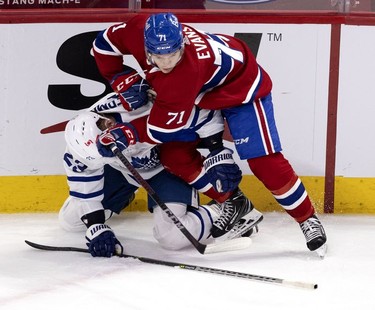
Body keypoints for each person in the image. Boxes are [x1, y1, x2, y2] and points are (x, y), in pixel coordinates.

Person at [92, 13, 327, 256]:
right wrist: (120, 78)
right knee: (174, 157)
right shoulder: (137, 29)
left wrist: (128, 133)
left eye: (173, 54)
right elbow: (102, 45)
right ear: (145, 45)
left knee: (264, 162)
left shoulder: (185, 73)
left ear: (182, 43)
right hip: (199, 94)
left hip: (241, 90)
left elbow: (159, 130)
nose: (166, 63)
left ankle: (307, 218)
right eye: (159, 56)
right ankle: (235, 203)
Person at [59, 92, 256, 257]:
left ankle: (224, 211)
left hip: (166, 170)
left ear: (108, 124)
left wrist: (214, 148)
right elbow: (84, 188)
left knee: (172, 238)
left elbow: (193, 114)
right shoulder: (79, 144)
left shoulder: (138, 107)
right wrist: (96, 226)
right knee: (71, 221)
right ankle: (120, 198)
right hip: (123, 172)